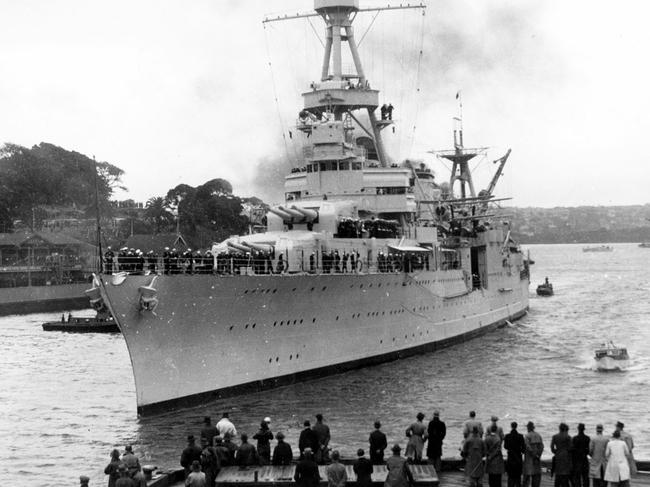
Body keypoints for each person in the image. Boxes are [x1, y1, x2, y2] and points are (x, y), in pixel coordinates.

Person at [504, 422, 525, 487]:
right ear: (516, 426)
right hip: (518, 458)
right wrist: (519, 451)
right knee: (518, 477)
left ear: (511, 426)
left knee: (510, 476)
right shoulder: (520, 436)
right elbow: (523, 448)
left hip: (510, 458)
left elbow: (505, 446)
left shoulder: (507, 436)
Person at [551, 423, 572, 487]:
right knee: (565, 474)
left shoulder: (555, 436)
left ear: (559, 428)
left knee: (558, 474)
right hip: (566, 456)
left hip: (558, 456)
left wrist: (556, 452)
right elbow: (571, 447)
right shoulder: (568, 437)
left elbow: (552, 447)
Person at [523, 422, 544, 487]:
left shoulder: (527, 436)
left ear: (528, 428)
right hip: (537, 459)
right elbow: (542, 446)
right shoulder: (538, 435)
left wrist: (533, 455)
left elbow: (528, 447)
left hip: (529, 459)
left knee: (526, 477)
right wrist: (538, 455)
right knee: (536, 477)